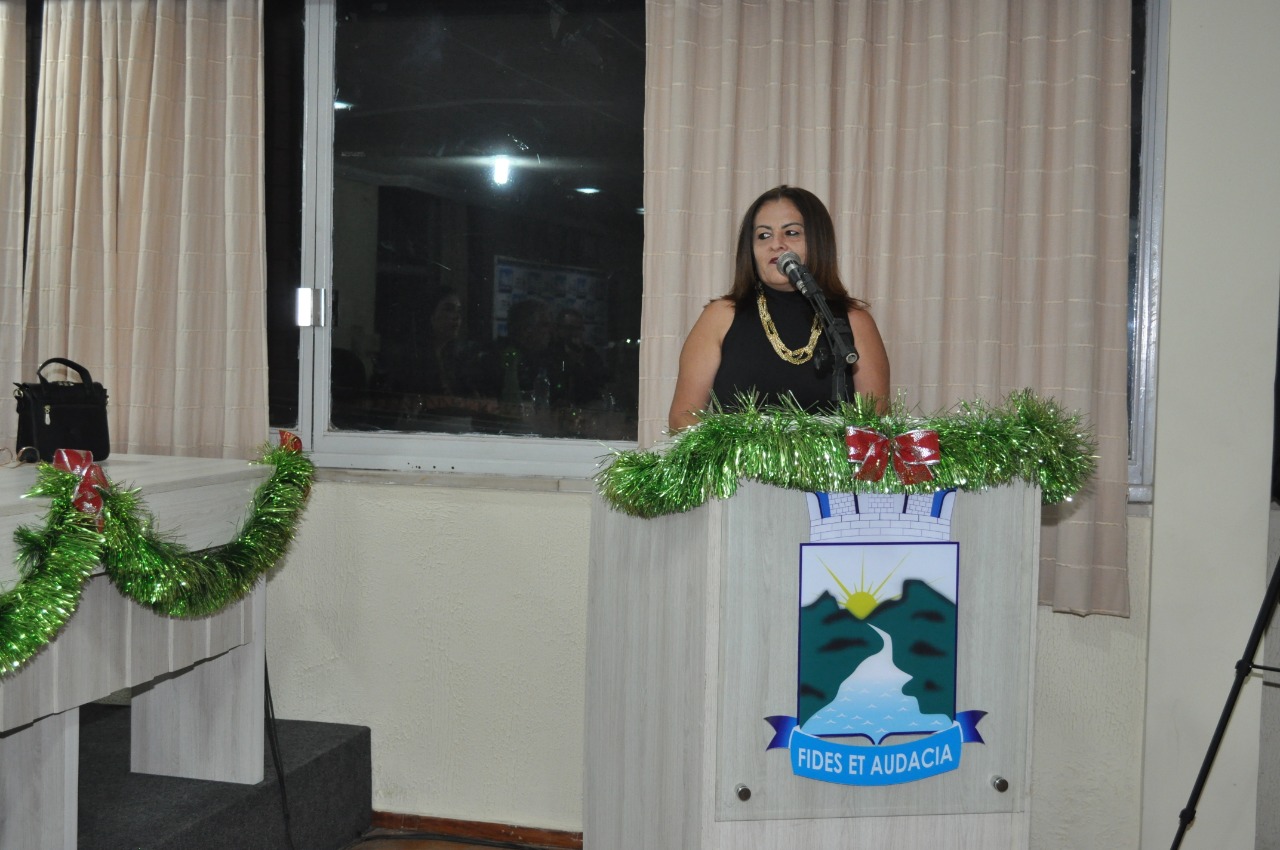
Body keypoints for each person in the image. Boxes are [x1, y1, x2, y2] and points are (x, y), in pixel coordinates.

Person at [668, 185, 890, 431]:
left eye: (791, 233)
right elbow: (681, 418)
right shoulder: (720, 317)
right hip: (737, 457)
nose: (776, 244)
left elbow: (877, 426)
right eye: (763, 235)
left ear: (818, 242)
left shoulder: (855, 321)